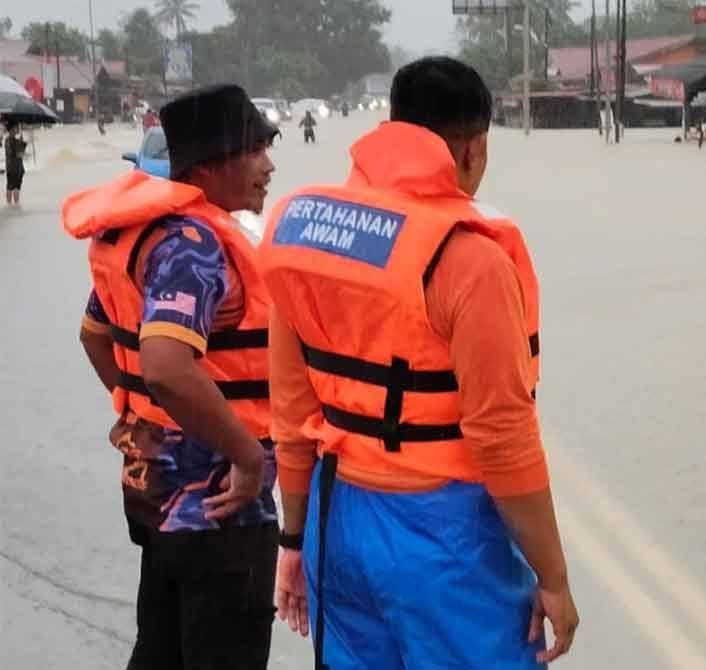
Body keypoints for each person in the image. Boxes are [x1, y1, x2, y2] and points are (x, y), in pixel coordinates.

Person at [259, 56, 579, 670]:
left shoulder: (308, 241)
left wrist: (294, 543)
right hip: (444, 539)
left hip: (335, 520)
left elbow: (293, 416)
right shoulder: (470, 262)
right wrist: (554, 578)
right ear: (474, 149)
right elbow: (503, 438)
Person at [62, 84, 280, 670]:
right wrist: (247, 455)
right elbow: (164, 364)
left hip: (152, 491)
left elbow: (96, 335)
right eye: (255, 150)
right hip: (218, 506)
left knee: (160, 649)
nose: (269, 166)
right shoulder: (196, 244)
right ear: (211, 164)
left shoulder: (138, 233)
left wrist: (144, 417)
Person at [4, 123, 27, 206]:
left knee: (16, 187)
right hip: (12, 167)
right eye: (14, 129)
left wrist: (21, 142)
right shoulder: (9, 141)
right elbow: (18, 154)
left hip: (18, 168)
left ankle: (15, 205)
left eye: (16, 129)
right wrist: (21, 144)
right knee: (10, 187)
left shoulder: (15, 140)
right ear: (10, 130)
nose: (16, 130)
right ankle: (9, 205)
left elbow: (21, 153)